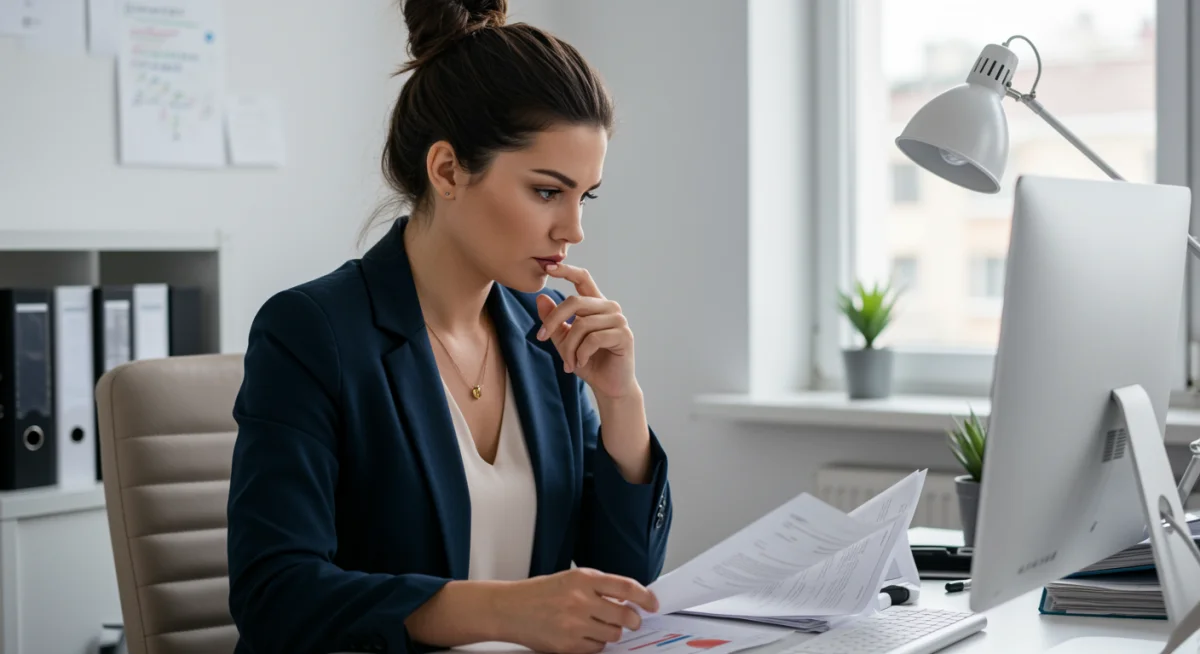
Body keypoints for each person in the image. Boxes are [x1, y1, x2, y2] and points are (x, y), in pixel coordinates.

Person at [225, 1, 673, 653]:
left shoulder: (545, 336)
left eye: (586, 196)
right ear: (447, 170)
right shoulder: (311, 331)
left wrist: (620, 402)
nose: (573, 230)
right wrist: (505, 611)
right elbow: (277, 593)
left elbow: (622, 583)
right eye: (548, 191)